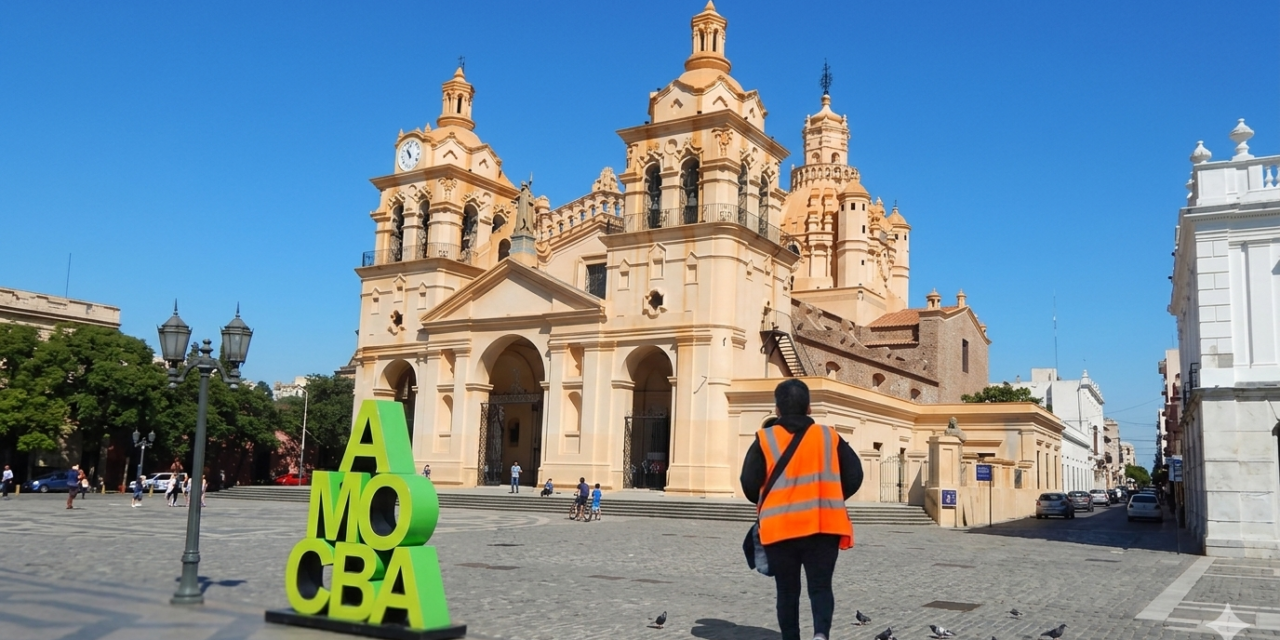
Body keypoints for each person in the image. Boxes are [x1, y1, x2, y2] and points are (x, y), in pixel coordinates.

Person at [740, 379, 863, 640]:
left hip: (780, 529)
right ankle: (820, 634)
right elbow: (855, 476)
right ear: (809, 408)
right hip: (824, 524)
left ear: (777, 410)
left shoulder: (764, 439)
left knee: (787, 591)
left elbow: (749, 485)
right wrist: (829, 495)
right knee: (820, 587)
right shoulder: (829, 436)